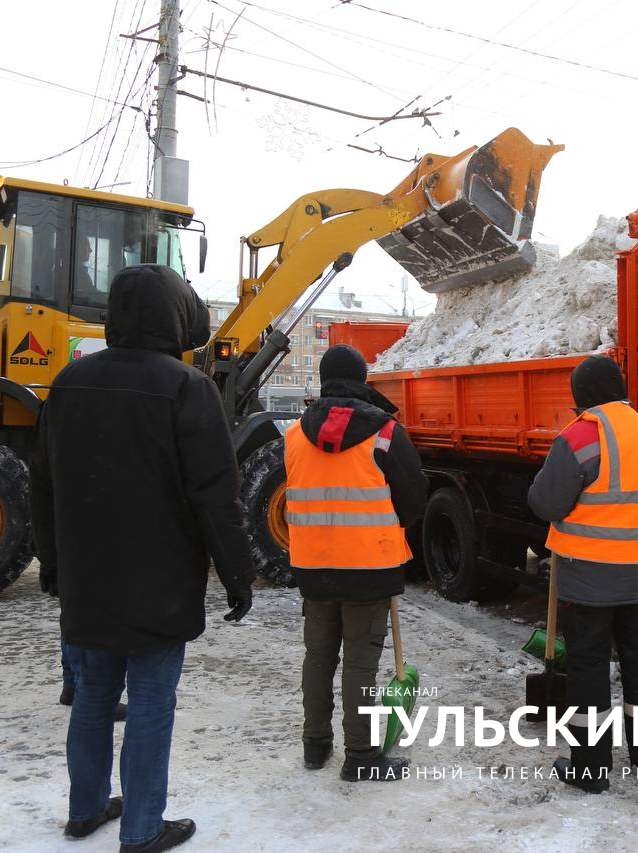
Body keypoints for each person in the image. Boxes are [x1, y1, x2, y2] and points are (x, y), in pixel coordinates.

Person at [30, 264, 255, 852]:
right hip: (161, 582)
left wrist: (52, 564)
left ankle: (85, 809)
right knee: (152, 703)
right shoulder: (186, 387)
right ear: (177, 316)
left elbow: (43, 486)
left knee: (94, 698)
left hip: (87, 578)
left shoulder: (68, 383)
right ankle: (142, 828)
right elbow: (215, 496)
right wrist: (237, 574)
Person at [527, 355, 638, 794]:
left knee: (589, 670)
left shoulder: (580, 435)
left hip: (590, 579)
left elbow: (546, 502)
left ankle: (590, 770)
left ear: (580, 398)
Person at [285, 344, 428, 782]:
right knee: (360, 663)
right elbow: (414, 497)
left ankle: (315, 746)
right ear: (363, 379)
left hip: (312, 565)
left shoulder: (293, 434)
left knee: (318, 656)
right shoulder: (385, 433)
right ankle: (361, 756)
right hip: (369, 566)